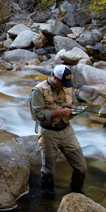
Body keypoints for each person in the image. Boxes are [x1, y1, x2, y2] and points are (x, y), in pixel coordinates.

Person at [29, 64, 87, 194]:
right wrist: (59, 112)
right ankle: (47, 199)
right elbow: (38, 114)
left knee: (81, 167)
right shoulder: (38, 90)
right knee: (48, 171)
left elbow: (72, 103)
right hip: (48, 133)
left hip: (67, 131)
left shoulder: (67, 86)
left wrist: (73, 111)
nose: (67, 86)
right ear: (55, 78)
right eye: (64, 82)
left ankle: (76, 193)